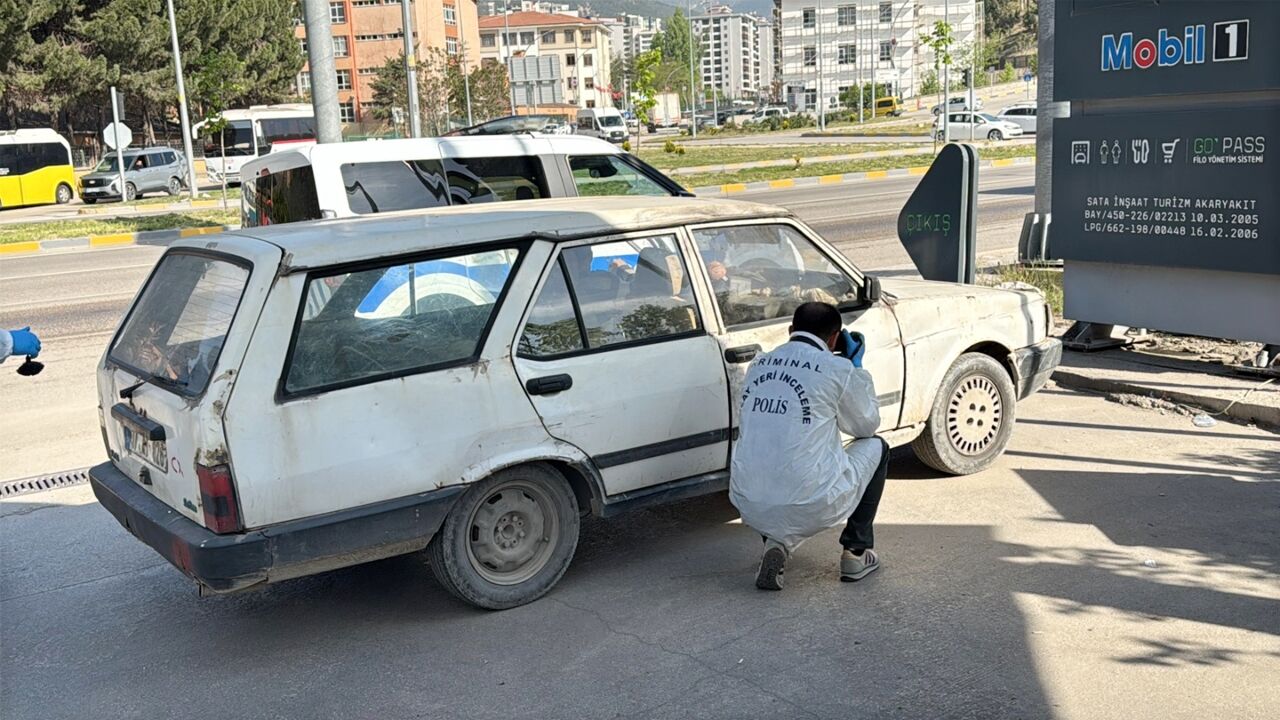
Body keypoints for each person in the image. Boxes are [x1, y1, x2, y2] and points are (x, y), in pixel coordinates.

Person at [729, 301, 889, 591]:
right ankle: (856, 553)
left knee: (773, 455)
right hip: (810, 501)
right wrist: (857, 369)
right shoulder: (837, 368)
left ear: (790, 330)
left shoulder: (758, 364)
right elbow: (866, 426)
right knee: (877, 446)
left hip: (747, 500)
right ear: (835, 338)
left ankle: (776, 542)